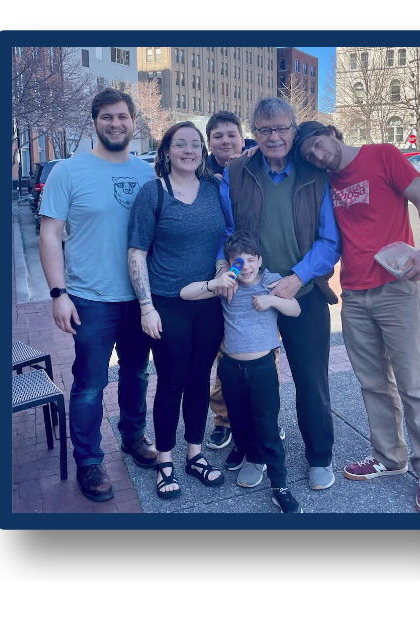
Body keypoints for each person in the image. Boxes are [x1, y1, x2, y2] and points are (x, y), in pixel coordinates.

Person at [294, 121, 420, 513]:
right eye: (308, 154)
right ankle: (390, 456)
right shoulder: (326, 180)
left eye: (317, 145)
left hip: (397, 289)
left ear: (331, 132)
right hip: (355, 292)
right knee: (373, 383)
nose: (316, 155)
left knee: (414, 384)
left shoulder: (383, 156)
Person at [38, 88, 158, 502]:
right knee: (89, 384)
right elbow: (50, 234)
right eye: (107, 117)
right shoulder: (69, 172)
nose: (115, 123)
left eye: (122, 116)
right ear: (95, 121)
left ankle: (133, 437)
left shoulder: (147, 173)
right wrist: (58, 293)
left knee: (137, 373)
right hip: (90, 298)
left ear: (133, 121)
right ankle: (89, 461)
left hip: (140, 298)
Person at [218, 96, 342, 491]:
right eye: (265, 129)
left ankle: (319, 457)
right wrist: (235, 275)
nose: (274, 136)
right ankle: (256, 451)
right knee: (253, 384)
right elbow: (228, 234)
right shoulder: (236, 172)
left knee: (311, 380)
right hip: (250, 300)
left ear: (294, 129)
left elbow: (330, 240)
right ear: (254, 132)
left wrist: (296, 277)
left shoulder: (314, 172)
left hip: (301, 294)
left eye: (282, 128)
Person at [127, 121, 228, 499]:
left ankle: (195, 454)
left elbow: (231, 238)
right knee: (171, 382)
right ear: (165, 150)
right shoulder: (152, 193)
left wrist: (225, 273)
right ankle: (165, 461)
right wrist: (146, 307)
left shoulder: (216, 189)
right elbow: (136, 251)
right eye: (180, 144)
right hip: (167, 303)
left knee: (200, 378)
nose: (189, 150)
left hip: (208, 303)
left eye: (195, 144)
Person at [180, 231, 303, 513]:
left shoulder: (271, 282)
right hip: (231, 369)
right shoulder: (228, 286)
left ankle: (279, 485)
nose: (245, 266)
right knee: (239, 420)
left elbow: (294, 309)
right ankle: (246, 451)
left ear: (259, 260)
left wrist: (272, 301)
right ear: (230, 264)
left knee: (268, 426)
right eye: (238, 261)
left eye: (250, 259)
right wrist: (216, 283)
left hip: (261, 369)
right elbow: (185, 293)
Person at [203, 110, 245, 450]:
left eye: (231, 134)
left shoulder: (254, 171)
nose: (225, 141)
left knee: (261, 351)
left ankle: (263, 417)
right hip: (212, 276)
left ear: (242, 138)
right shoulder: (199, 176)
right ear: (209, 142)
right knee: (222, 353)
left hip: (250, 273)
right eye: (218, 136)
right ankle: (223, 420)